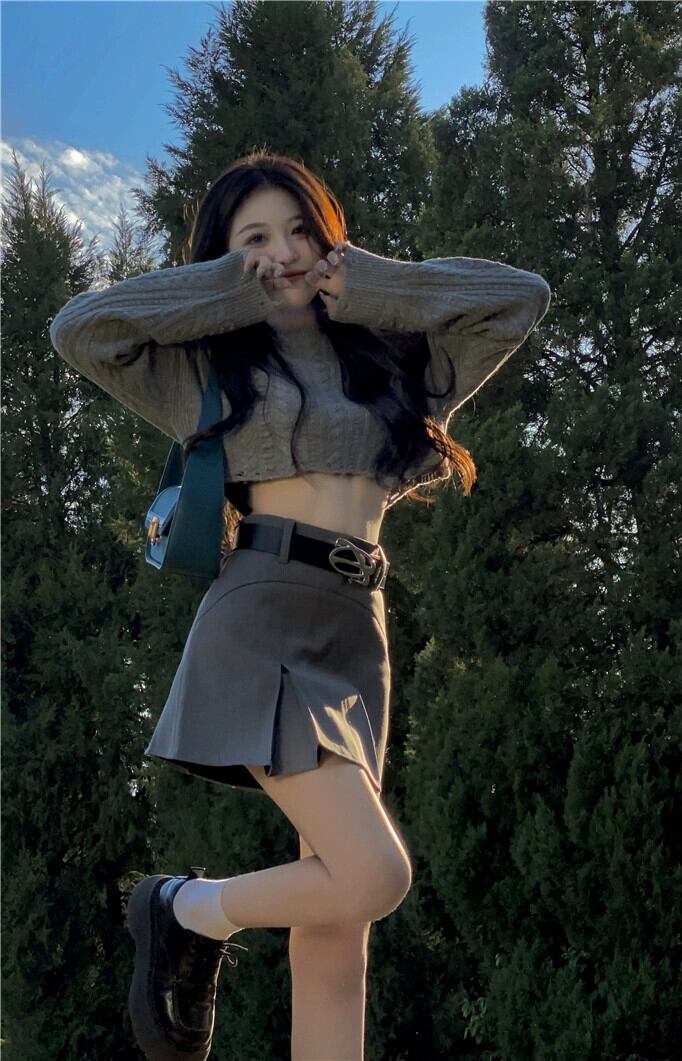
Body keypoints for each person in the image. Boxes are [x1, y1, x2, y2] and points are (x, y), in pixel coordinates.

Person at [48, 148, 551, 1061]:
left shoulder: (395, 359)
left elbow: (519, 298)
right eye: (255, 238)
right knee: (375, 873)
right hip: (263, 611)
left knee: (340, 930)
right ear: (225, 256)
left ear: (331, 241)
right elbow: (80, 328)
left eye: (298, 232)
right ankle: (186, 907)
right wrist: (227, 289)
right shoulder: (203, 371)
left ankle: (208, 925)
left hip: (360, 629)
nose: (281, 253)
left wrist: (373, 285)